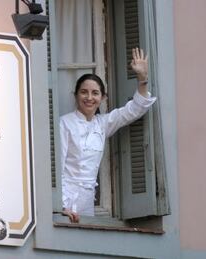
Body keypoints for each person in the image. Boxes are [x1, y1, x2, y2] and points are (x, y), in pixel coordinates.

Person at [59, 48, 156, 223]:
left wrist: (142, 79)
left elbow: (135, 109)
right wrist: (60, 206)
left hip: (87, 202)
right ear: (76, 95)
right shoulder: (65, 123)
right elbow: (57, 169)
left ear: (103, 98)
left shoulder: (102, 123)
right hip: (65, 200)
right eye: (84, 92)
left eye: (95, 93)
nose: (89, 97)